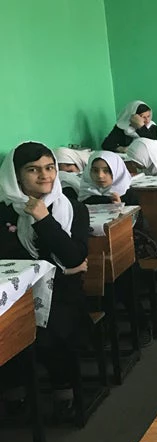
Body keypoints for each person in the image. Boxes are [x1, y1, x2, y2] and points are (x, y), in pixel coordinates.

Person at [0, 142, 90, 421]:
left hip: (63, 294)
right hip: (16, 294)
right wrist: (60, 269)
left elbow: (73, 256)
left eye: (49, 168)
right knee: (7, 324)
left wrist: (43, 219)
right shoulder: (4, 212)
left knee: (52, 328)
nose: (45, 176)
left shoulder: (72, 208)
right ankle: (14, 385)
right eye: (33, 170)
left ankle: (63, 387)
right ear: (15, 176)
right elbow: (7, 259)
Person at [78, 151, 153, 346]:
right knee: (98, 291)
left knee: (127, 288)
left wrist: (121, 210)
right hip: (94, 254)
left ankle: (141, 327)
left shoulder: (127, 192)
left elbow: (141, 227)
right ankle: (104, 332)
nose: (100, 176)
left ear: (117, 171)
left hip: (125, 251)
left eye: (106, 171)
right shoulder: (85, 196)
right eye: (95, 171)